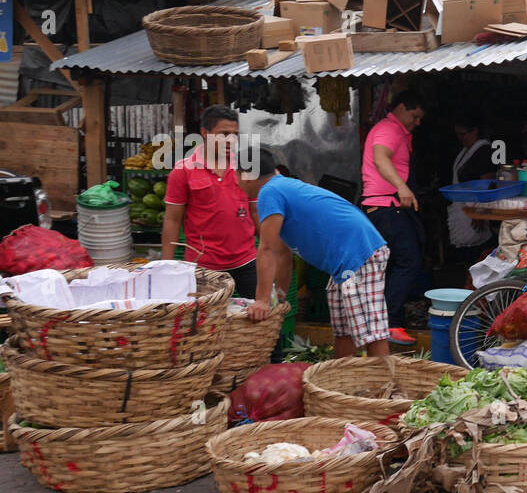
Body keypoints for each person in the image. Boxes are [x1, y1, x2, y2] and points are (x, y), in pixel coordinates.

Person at [240, 159, 390, 359]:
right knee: (343, 329)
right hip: (346, 260)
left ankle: (386, 386)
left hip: (358, 252)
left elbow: (265, 249)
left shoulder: (270, 191)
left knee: (371, 332)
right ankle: (341, 381)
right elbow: (281, 254)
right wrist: (281, 296)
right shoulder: (282, 188)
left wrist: (261, 300)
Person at [161, 105, 259, 298]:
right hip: (204, 267)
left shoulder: (245, 167)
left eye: (234, 134)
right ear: (205, 133)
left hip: (247, 261)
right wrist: (166, 266)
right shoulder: (183, 171)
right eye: (223, 134)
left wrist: (271, 249)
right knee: (207, 325)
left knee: (258, 320)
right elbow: (172, 220)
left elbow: (255, 211)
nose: (230, 140)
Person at [361, 90, 426, 346]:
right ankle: (391, 324)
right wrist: (402, 186)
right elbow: (380, 158)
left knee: (393, 264)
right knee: (409, 261)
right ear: (400, 108)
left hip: (385, 207)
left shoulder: (396, 130)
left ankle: (384, 323)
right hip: (387, 207)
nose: (417, 122)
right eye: (414, 116)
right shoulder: (388, 129)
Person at [446, 117, 497, 265]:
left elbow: (486, 182)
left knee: (476, 252)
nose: (461, 138)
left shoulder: (483, 150)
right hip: (463, 209)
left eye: (463, 134)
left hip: (474, 209)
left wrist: (479, 212)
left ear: (475, 131)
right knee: (468, 253)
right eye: (458, 135)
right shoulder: (466, 151)